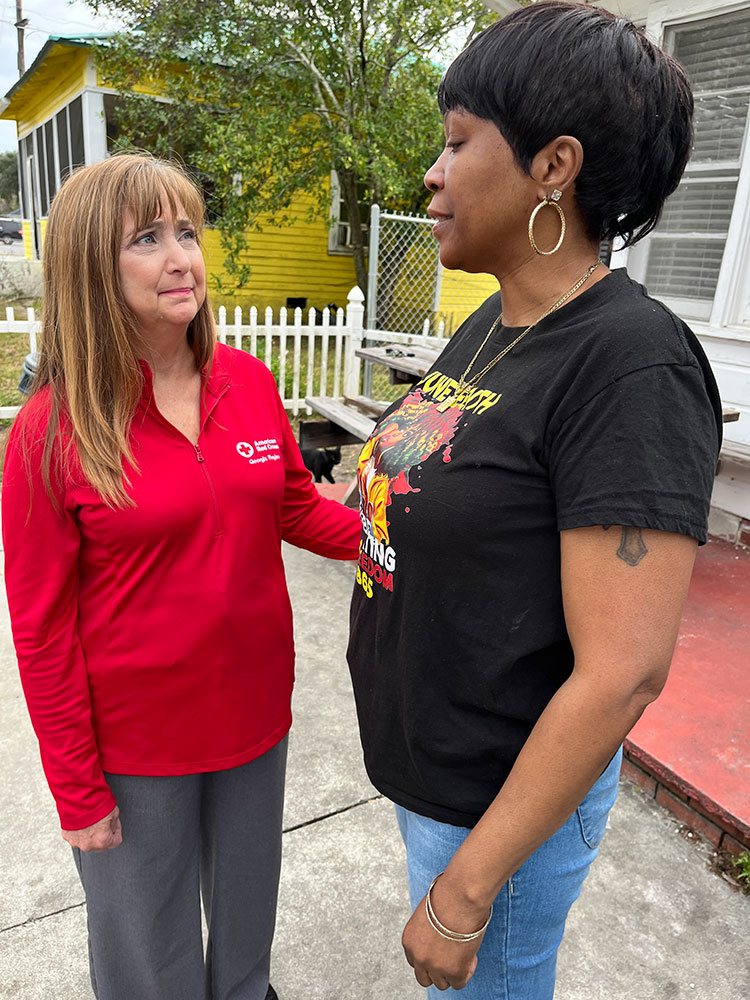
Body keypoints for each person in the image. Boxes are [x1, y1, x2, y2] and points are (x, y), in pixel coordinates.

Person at [346, 4, 722, 998]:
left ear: (553, 166)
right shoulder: (495, 325)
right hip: (435, 776)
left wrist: (466, 893)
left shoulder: (630, 365)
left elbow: (624, 672)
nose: (431, 171)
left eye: (458, 141)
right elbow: (420, 484)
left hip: (496, 811)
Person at [2, 153, 361, 1000]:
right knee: (147, 963)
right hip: (134, 747)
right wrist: (76, 786)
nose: (181, 257)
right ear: (95, 265)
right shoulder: (53, 432)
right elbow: (41, 626)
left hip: (252, 719)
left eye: (189, 232)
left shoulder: (249, 382)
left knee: (245, 945)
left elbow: (292, 505)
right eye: (148, 238)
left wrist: (395, 539)